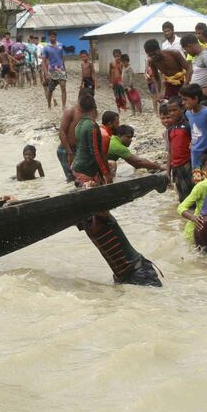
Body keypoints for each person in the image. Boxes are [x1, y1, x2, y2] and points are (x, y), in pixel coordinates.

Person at [67, 91, 161, 286]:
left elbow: (87, 152)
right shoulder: (86, 218)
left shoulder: (100, 215)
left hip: (136, 272)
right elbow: (95, 153)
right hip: (125, 273)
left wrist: (100, 180)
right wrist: (102, 177)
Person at [177, 148, 207, 245]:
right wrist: (194, 218)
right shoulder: (202, 186)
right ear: (203, 168)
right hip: (193, 233)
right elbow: (181, 207)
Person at [160, 98, 193, 200]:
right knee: (182, 196)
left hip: (188, 165)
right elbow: (170, 152)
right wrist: (168, 171)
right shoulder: (171, 130)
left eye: (174, 110)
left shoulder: (188, 126)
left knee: (193, 195)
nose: (172, 113)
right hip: (176, 167)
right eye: (170, 111)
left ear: (182, 109)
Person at [41, 31, 67, 108]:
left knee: (63, 86)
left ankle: (64, 106)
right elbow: (43, 62)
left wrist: (65, 70)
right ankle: (49, 105)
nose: (53, 38)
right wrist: (46, 73)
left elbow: (62, 58)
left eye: (54, 36)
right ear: (49, 37)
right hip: (52, 71)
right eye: (51, 36)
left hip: (61, 70)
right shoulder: (46, 48)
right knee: (50, 90)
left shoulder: (60, 45)